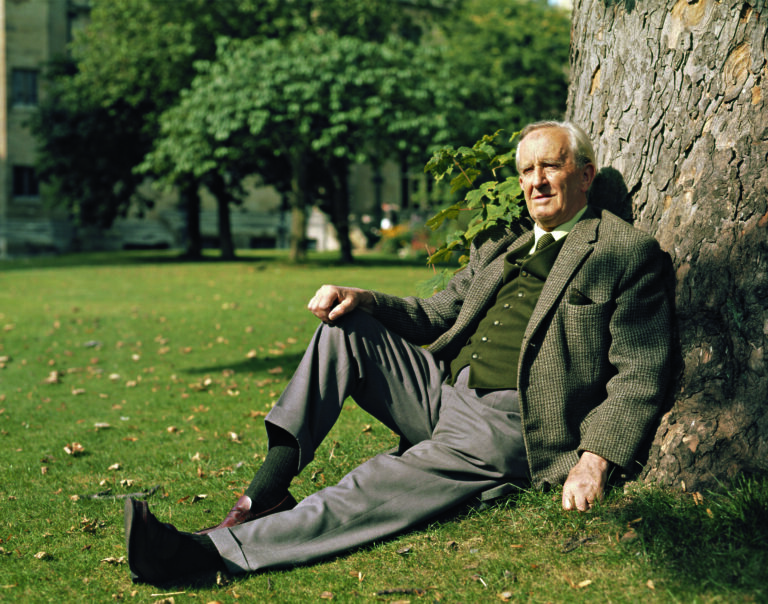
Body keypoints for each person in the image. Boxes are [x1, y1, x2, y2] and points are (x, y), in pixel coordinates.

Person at [124, 121, 673, 584]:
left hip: (507, 425)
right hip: (438, 390)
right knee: (344, 328)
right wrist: (361, 298)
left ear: (584, 175)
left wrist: (595, 459)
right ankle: (264, 493)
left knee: (373, 485)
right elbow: (435, 316)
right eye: (526, 171)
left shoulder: (625, 253)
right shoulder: (503, 248)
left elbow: (639, 374)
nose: (536, 182)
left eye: (549, 167)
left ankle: (209, 555)